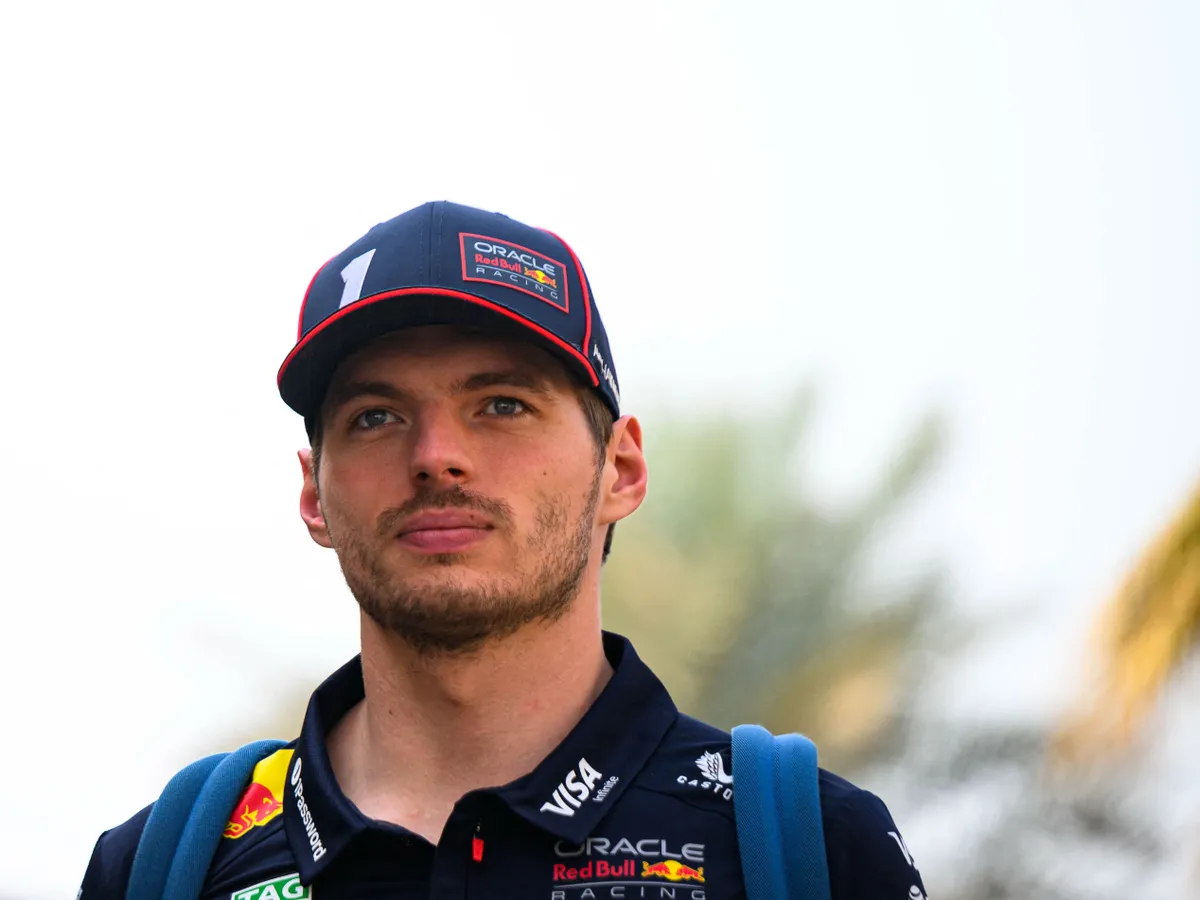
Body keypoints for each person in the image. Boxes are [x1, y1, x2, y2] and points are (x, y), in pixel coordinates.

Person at [79, 202, 929, 899]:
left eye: (503, 405)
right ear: (315, 494)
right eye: (376, 416)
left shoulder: (802, 845)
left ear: (621, 470)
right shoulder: (165, 866)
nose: (435, 454)